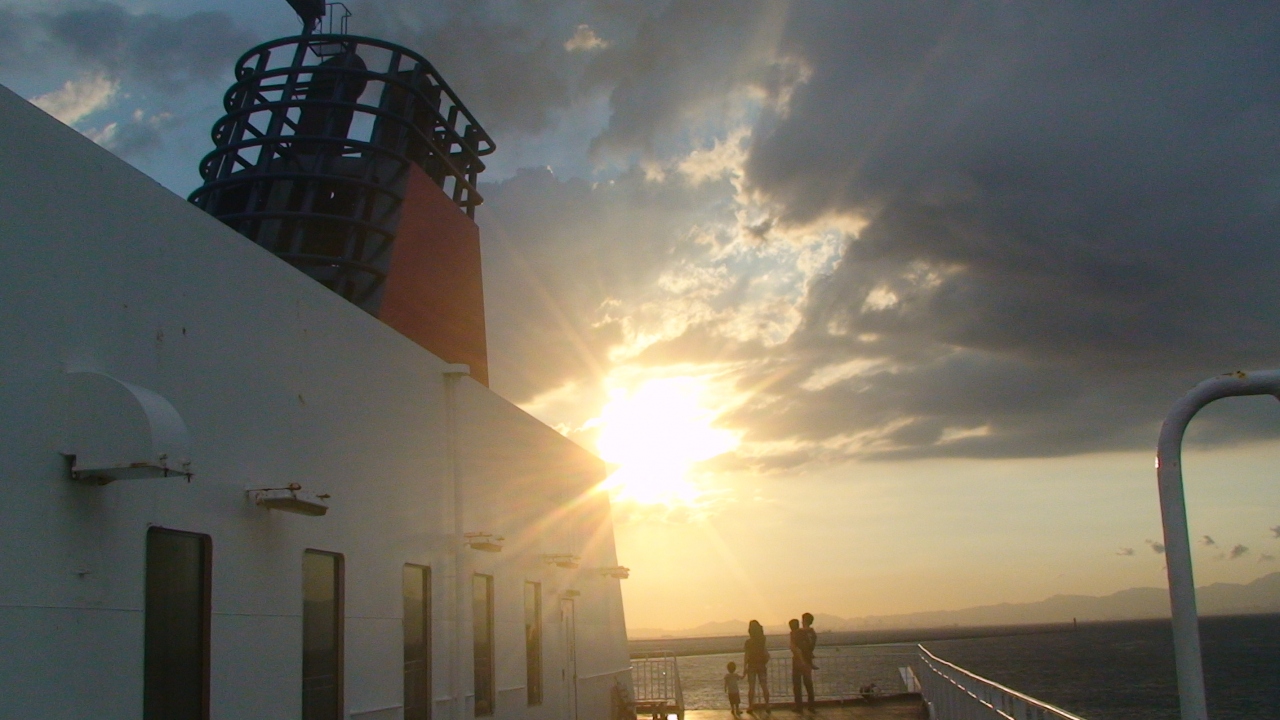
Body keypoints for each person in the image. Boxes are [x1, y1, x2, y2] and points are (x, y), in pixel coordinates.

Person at [743, 619, 770, 711]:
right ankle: (767, 705)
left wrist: (744, 667)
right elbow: (765, 652)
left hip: (751, 665)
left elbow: (747, 655)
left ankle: (751, 706)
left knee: (751, 687)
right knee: (764, 685)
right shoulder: (762, 640)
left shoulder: (748, 643)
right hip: (761, 665)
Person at [788, 618, 815, 711]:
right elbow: (809, 646)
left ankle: (798, 706)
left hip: (797, 661)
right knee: (808, 683)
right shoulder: (806, 634)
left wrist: (800, 659)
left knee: (797, 684)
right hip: (807, 660)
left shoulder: (794, 634)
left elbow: (794, 647)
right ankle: (811, 705)